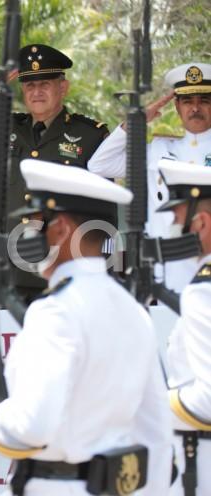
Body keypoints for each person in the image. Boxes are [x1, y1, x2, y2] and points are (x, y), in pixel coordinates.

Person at [0, 160, 172, 495]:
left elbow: (32, 427)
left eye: (35, 223)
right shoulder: (132, 311)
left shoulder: (55, 312)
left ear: (59, 229)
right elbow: (158, 435)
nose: (28, 235)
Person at [0, 45, 109, 300]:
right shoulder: (5, 129)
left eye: (45, 84)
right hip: (8, 270)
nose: (36, 92)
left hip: (64, 268)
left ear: (63, 88)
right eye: (29, 86)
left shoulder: (90, 135)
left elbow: (103, 206)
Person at [89, 62, 211, 291]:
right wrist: (136, 122)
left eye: (204, 100)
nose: (195, 108)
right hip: (165, 273)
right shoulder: (158, 150)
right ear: (177, 106)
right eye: (187, 101)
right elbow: (99, 165)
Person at [155, 160, 211, 496]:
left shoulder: (203, 291)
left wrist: (151, 406)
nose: (174, 232)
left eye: (178, 221)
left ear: (201, 222)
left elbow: (208, 398)